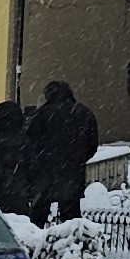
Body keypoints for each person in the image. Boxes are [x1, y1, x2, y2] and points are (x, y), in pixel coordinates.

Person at [24, 80, 100, 224]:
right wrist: (78, 158)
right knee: (71, 219)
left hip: (45, 174)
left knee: (37, 219)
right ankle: (71, 237)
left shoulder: (41, 116)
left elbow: (30, 145)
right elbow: (92, 145)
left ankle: (36, 237)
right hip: (72, 173)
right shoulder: (84, 114)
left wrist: (41, 161)